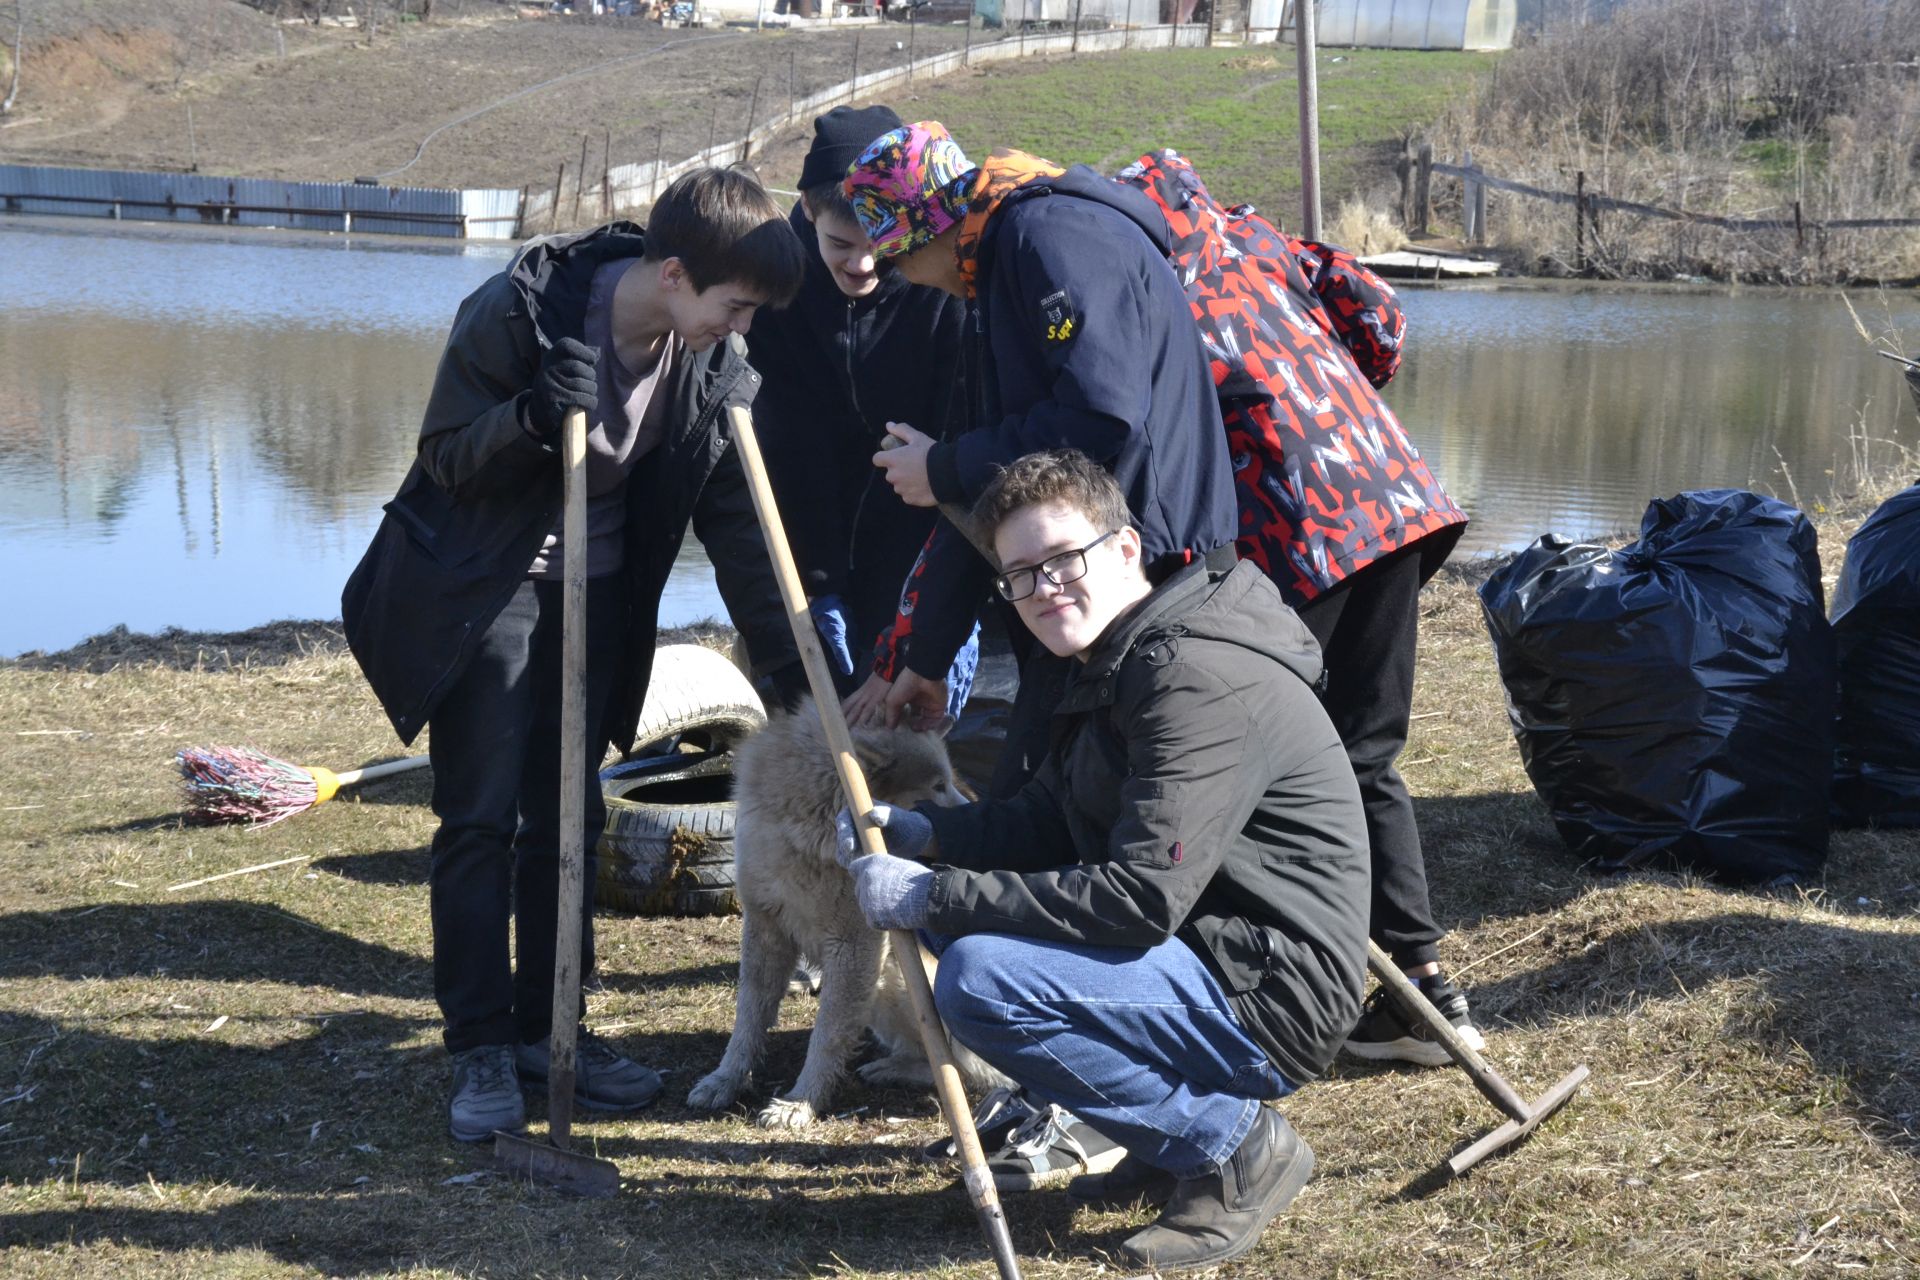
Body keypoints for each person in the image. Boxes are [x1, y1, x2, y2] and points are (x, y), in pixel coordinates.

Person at [341, 168, 809, 1143]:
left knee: (567, 813)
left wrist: (795, 663)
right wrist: (522, 420)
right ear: (675, 274)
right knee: (478, 816)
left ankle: (553, 1026)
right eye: (735, 305)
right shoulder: (520, 311)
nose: (743, 326)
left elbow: (735, 521)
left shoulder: (707, 360)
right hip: (489, 584)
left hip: (598, 594)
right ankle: (478, 1042)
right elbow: (442, 456)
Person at [833, 449, 1370, 1273]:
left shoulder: (1189, 677)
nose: (1045, 589)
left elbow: (1138, 900)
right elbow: (1049, 819)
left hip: (1268, 989)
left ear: (1125, 551)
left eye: (1062, 560)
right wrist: (926, 833)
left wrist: (934, 897)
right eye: (1020, 575)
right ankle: (1165, 1143)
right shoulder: (1115, 661)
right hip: (1207, 953)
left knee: (984, 981)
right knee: (987, 954)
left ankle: (1235, 1145)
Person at [1113, 150, 1480, 1065]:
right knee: (1366, 754)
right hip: (1393, 501)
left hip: (1298, 531)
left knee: (1241, 748)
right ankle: (1427, 996)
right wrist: (1332, 391)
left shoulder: (1145, 287)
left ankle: (1234, 978)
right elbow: (1382, 318)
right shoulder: (1260, 237)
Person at [838, 121, 1236, 799]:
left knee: (1082, 794)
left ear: (930, 229)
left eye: (900, 259)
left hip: (1150, 572)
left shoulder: (1047, 238)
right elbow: (1001, 495)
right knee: (1055, 786)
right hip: (1094, 565)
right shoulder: (999, 263)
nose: (906, 278)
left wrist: (943, 469)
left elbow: (1099, 411)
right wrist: (926, 658)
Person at [745, 104, 979, 715]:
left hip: (917, 525)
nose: (863, 266)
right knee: (820, 711)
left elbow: (955, 442)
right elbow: (787, 446)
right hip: (810, 530)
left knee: (907, 713)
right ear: (806, 212)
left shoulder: (940, 287)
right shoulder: (778, 292)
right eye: (839, 245)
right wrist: (816, 588)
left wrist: (923, 623)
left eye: (881, 246)